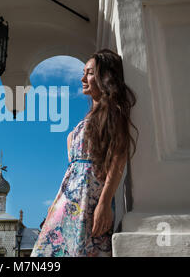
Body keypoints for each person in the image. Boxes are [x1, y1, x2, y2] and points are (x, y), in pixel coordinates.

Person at [31, 49, 138, 257]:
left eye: (89, 72)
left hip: (90, 202)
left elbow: (118, 158)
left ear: (105, 77)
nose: (82, 78)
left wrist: (105, 203)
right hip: (68, 200)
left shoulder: (113, 113)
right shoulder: (86, 121)